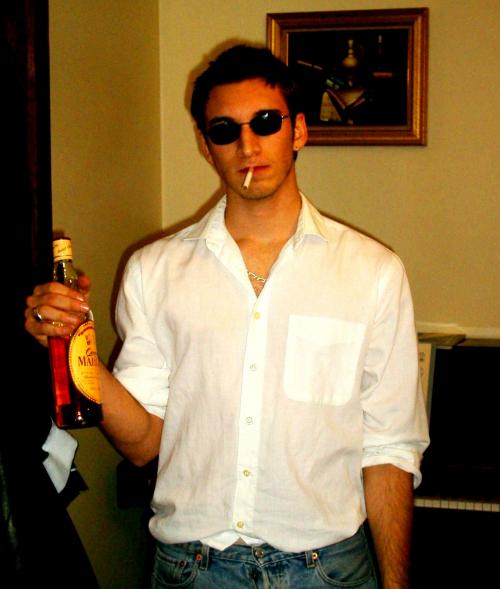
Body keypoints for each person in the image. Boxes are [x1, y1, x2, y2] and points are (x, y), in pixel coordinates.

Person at [25, 44, 429, 589]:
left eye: (265, 122)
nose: (247, 145)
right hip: (193, 570)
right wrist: (78, 349)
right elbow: (143, 442)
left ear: (298, 130)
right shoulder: (153, 270)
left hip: (328, 570)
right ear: (205, 145)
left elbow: (390, 450)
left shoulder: (373, 273)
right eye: (224, 130)